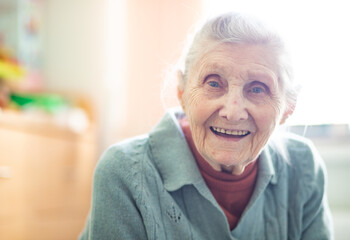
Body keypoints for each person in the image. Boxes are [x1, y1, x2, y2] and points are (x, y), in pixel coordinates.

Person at [79, 12, 334, 239]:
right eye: (213, 83)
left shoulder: (304, 169)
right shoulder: (124, 173)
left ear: (288, 107)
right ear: (182, 91)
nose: (233, 112)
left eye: (258, 88)